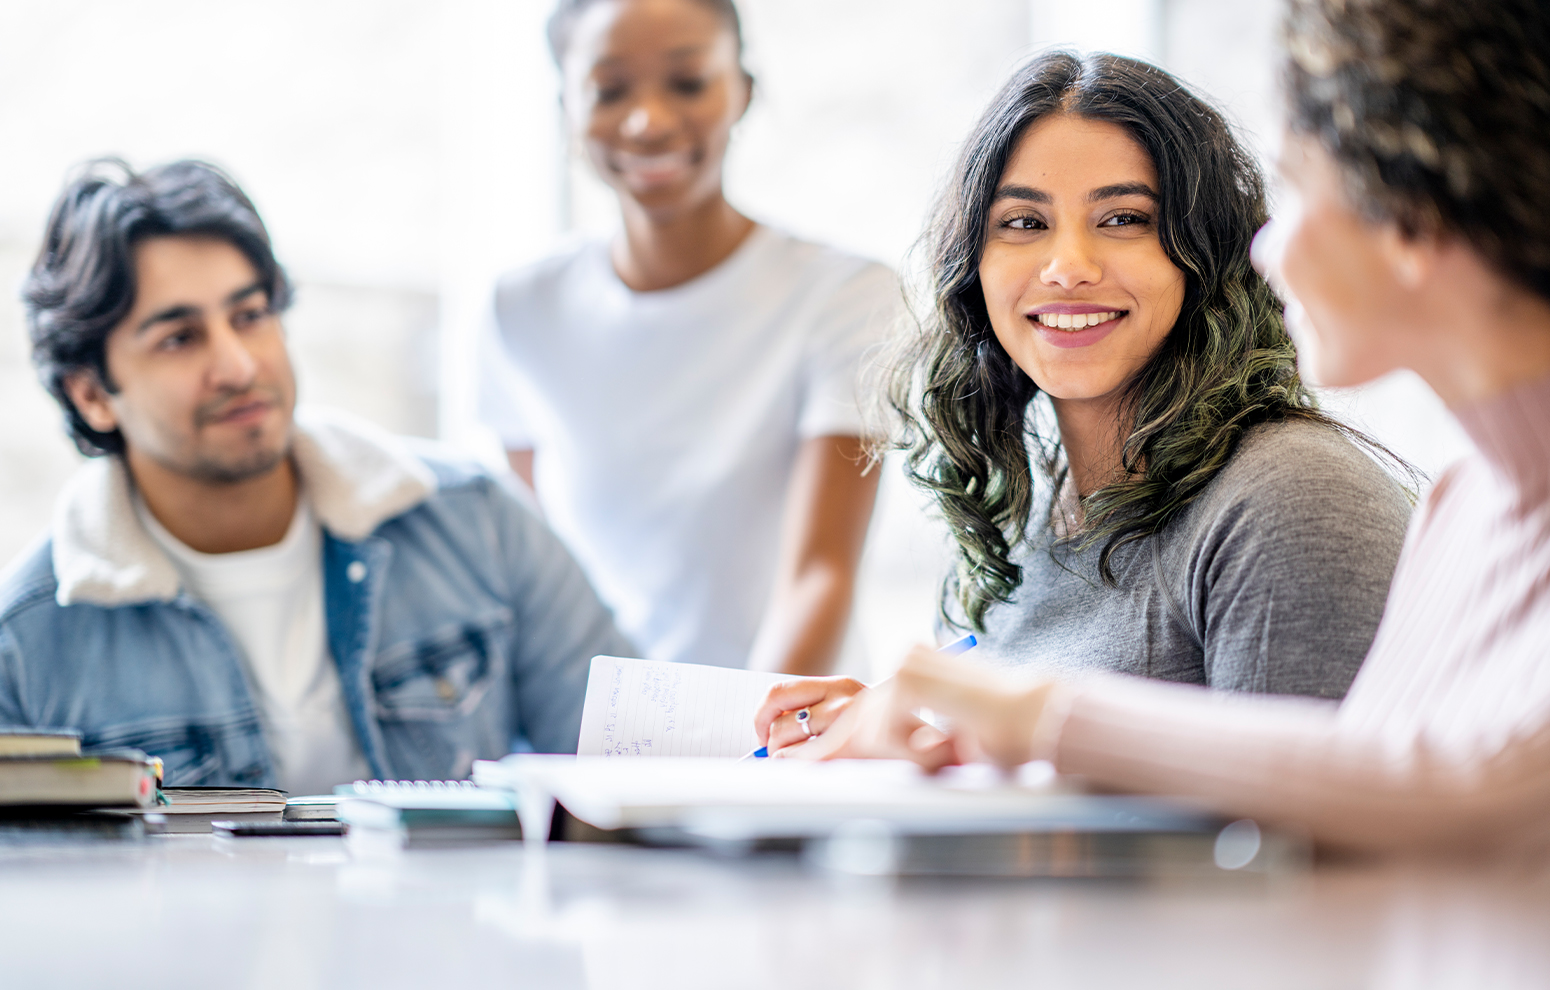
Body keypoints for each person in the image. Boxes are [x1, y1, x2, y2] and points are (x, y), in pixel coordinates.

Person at [763, 0, 1550, 858]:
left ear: (1413, 213)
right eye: (1023, 223)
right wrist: (933, 733)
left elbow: (1444, 805)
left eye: (1296, 186)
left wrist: (1012, 714)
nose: (1266, 249)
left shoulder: (1297, 492)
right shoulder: (1469, 504)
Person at [756, 50, 1413, 754]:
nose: (1068, 266)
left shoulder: (1289, 498)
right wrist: (915, 735)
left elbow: (1311, 841)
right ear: (972, 269)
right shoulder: (1026, 517)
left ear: (1209, 253)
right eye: (1024, 223)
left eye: (1125, 218)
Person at [0, 160, 634, 790]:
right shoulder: (25, 648)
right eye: (180, 339)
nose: (239, 365)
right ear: (91, 395)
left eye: (249, 316)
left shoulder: (477, 521)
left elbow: (633, 771)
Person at [478, 0, 897, 674]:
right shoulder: (521, 307)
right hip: (587, 735)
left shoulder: (847, 296)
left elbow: (821, 575)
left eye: (688, 82)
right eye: (610, 90)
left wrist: (744, 757)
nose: (648, 121)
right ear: (567, 106)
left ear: (743, 92)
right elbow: (535, 581)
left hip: (780, 736)